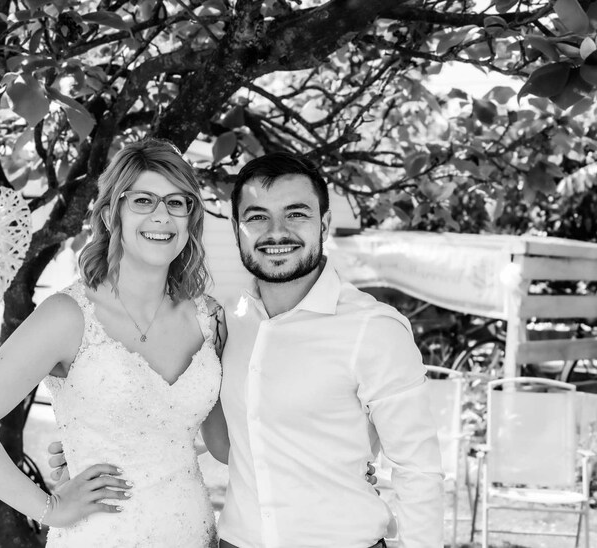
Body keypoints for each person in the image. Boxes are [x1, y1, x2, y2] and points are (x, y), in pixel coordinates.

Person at [49, 152, 444, 548]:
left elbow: (419, 470)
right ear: (237, 230)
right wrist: (100, 444)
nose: (276, 232)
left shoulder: (374, 328)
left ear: (323, 224)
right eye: (257, 217)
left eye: (296, 214)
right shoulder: (226, 322)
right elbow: (228, 440)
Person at [0, 138, 227, 548]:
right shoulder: (67, 316)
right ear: (110, 214)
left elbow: (223, 445)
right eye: (143, 200)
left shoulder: (209, 319)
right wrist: (50, 508)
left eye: (177, 202)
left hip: (193, 532)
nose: (162, 215)